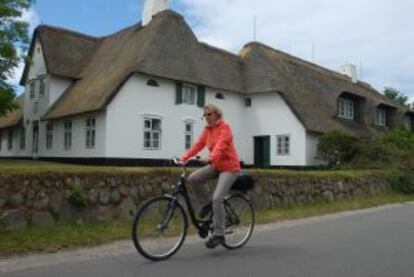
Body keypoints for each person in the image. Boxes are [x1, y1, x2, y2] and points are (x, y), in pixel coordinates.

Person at [180, 103, 241, 249]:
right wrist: (184, 157)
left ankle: (219, 234)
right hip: (216, 165)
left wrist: (211, 157)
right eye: (205, 115)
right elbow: (198, 144)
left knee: (217, 198)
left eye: (210, 114)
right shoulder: (207, 130)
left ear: (216, 114)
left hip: (229, 167)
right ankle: (207, 206)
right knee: (193, 178)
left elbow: (221, 145)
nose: (207, 117)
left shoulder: (225, 128)